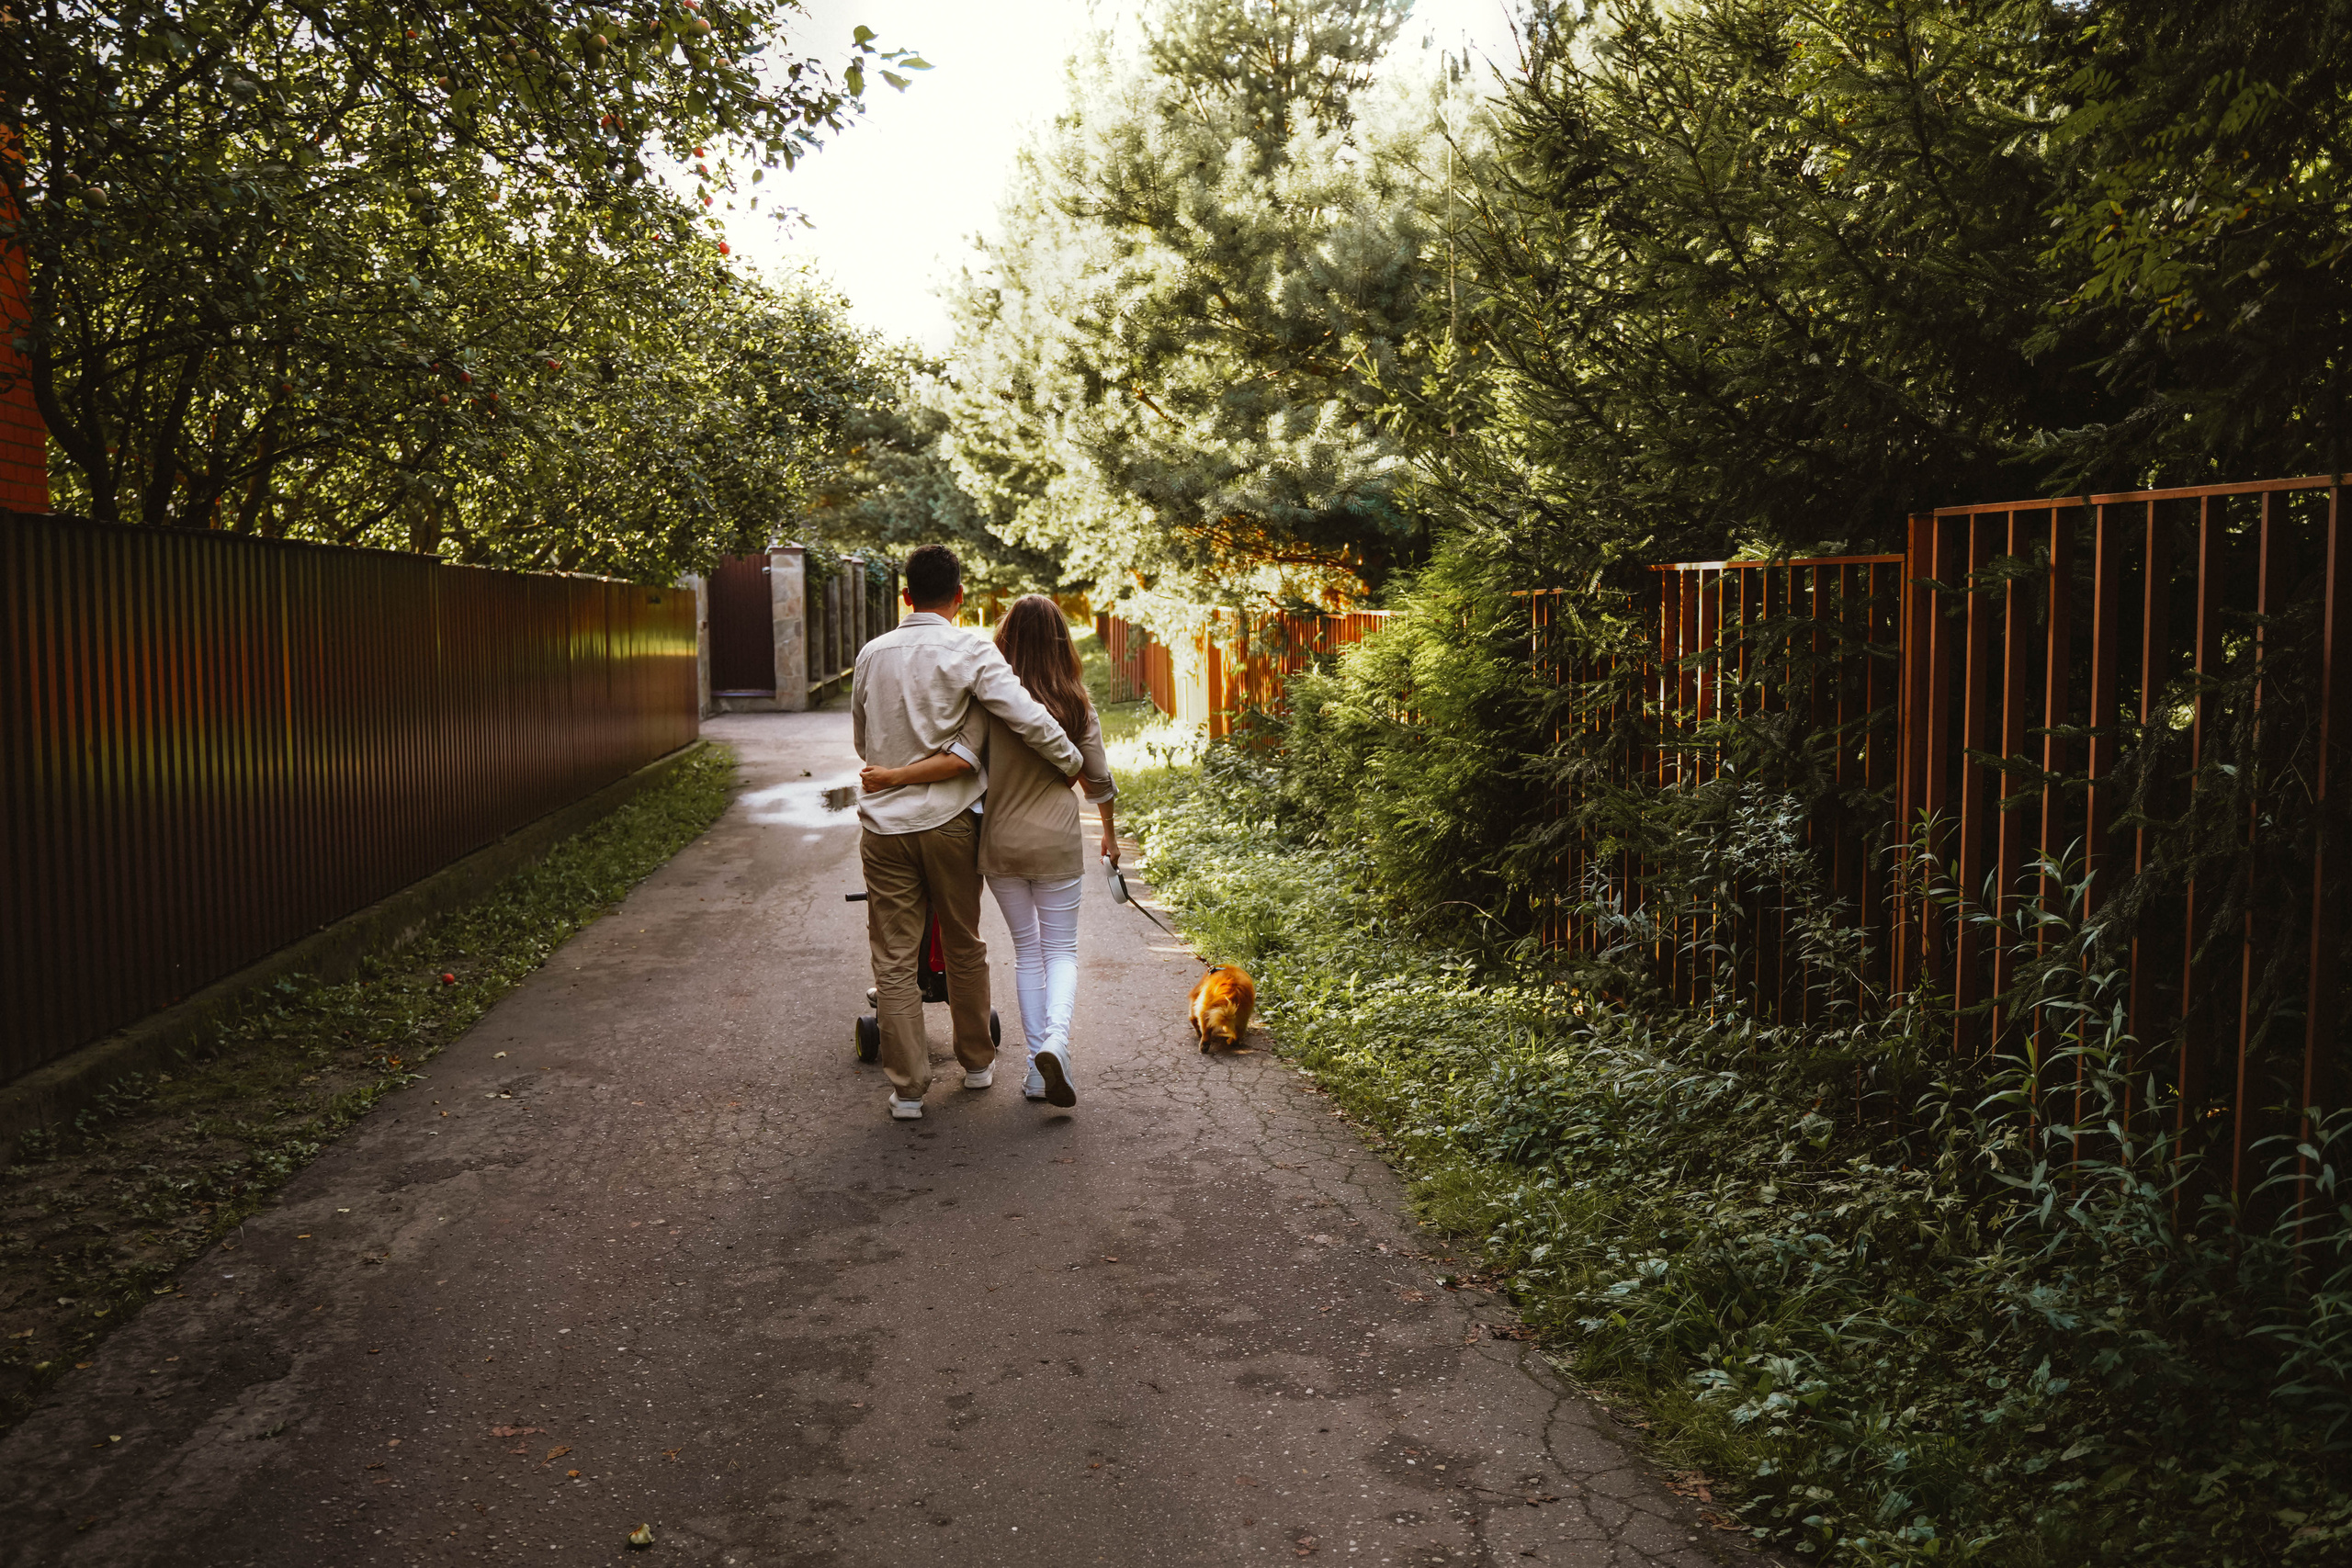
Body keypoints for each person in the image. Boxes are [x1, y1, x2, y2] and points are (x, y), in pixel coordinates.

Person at [851, 547, 1084, 1122]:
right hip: (951, 824)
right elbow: (1025, 715)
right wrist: (1070, 759)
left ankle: (908, 1088)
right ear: (960, 596)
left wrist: (892, 768)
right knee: (962, 944)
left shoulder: (871, 655)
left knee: (895, 957)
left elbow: (861, 740)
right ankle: (977, 1062)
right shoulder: (971, 648)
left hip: (883, 827)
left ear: (906, 597)